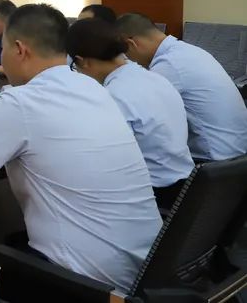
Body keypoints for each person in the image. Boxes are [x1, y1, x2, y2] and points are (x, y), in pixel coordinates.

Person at [0, 4, 161, 301]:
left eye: (3, 49)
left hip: (88, 284)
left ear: (20, 49)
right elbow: (48, 136)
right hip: (144, 269)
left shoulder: (20, 101)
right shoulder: (93, 88)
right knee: (11, 240)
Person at [67, 18, 193, 208]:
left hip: (154, 194)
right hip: (186, 186)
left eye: (74, 68)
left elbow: (103, 160)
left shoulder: (114, 95)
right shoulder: (156, 78)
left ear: (81, 61)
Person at [116, 13, 247, 161]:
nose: (130, 60)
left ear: (131, 44)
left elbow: (140, 115)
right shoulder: (189, 51)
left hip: (214, 161)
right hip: (237, 152)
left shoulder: (168, 65)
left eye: (126, 55)